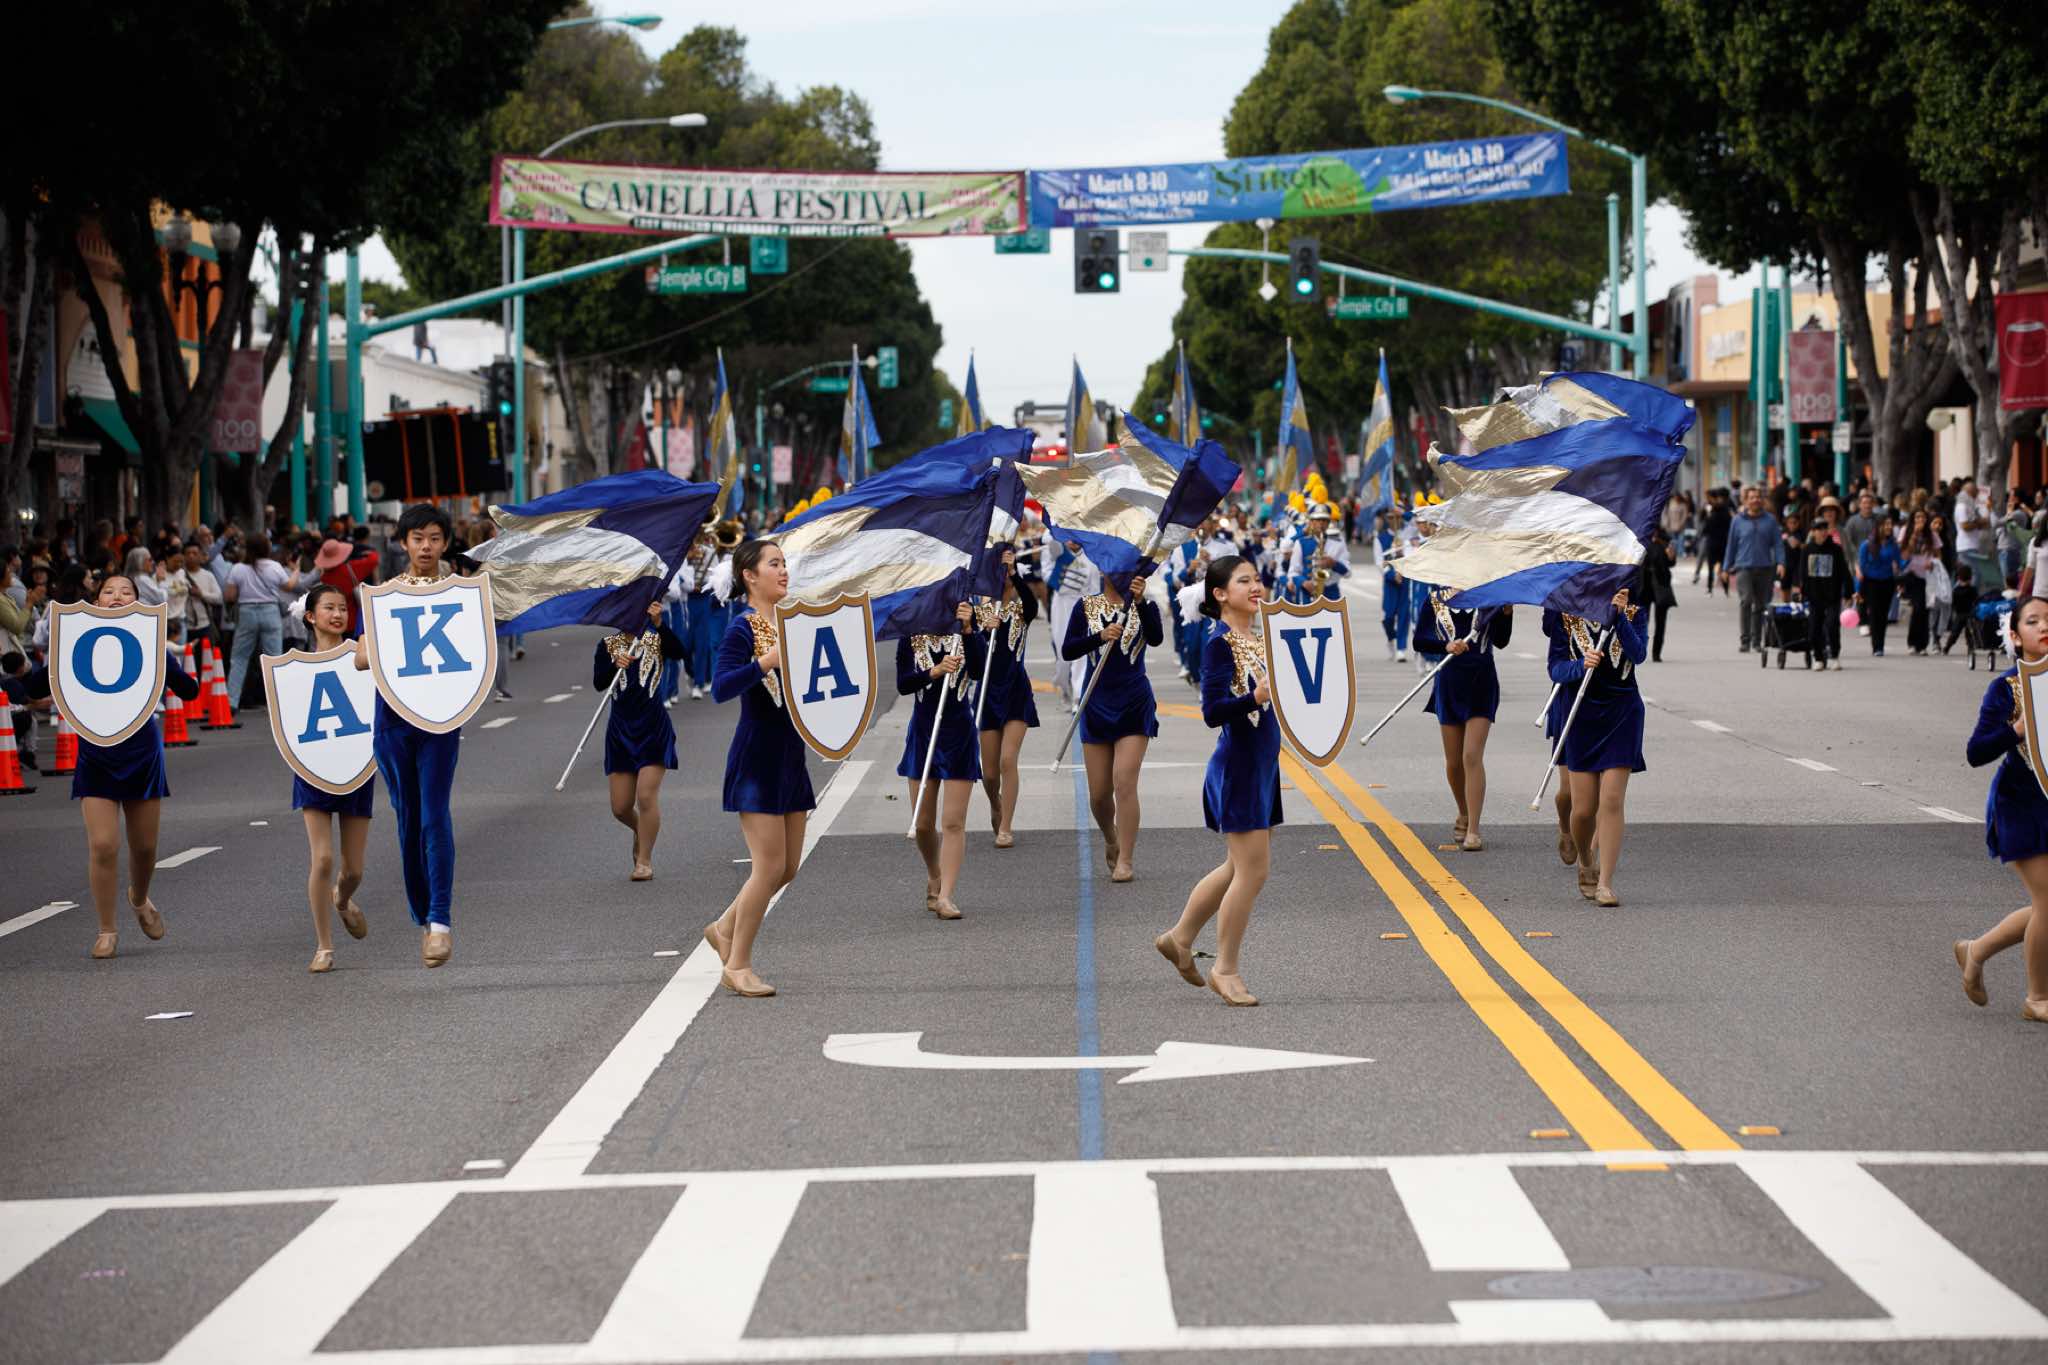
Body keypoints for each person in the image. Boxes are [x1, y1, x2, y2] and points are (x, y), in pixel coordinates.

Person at [1154, 555, 1278, 1007]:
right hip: (1238, 767)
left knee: (1235, 868)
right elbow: (1211, 711)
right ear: (1221, 594)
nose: (1255, 586)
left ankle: (1180, 937)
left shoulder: (1260, 639)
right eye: (1244, 581)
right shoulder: (1219, 643)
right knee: (1253, 871)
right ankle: (1225, 969)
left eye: (1257, 579)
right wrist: (1254, 696)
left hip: (1261, 766)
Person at [71, 574, 204, 959]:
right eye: (108, 591)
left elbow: (187, 689)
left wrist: (174, 668)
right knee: (102, 844)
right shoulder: (77, 641)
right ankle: (106, 929)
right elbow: (40, 683)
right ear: (96, 601)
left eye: (126, 591)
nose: (117, 596)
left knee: (144, 847)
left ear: (137, 601)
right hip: (95, 748)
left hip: (141, 750)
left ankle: (139, 897)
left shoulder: (150, 642)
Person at [705, 540, 815, 997]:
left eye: (785, 563)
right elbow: (720, 687)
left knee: (786, 868)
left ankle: (723, 928)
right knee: (767, 867)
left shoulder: (794, 621)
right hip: (758, 756)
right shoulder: (742, 628)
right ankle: (738, 964)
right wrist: (765, 661)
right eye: (774, 564)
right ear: (750, 576)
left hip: (791, 753)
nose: (784, 571)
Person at [353, 505, 461, 968]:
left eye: (434, 538)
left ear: (445, 543)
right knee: (409, 820)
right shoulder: (382, 596)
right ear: (403, 543)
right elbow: (360, 658)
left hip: (441, 721)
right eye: (418, 538)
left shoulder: (462, 593)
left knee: (435, 815)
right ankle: (423, 914)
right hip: (393, 721)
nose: (426, 547)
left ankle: (440, 921)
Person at [1956, 596, 2048, 1023]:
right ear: (2015, 635)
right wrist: (2017, 729)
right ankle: (2037, 997)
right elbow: (1976, 752)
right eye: (2033, 621)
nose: (2044, 626)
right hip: (2021, 807)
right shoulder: (2007, 688)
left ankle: (1976, 950)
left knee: (2045, 905)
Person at [1544, 592, 1648, 908]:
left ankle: (1605, 883)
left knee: (1612, 799)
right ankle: (1586, 858)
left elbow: (1638, 654)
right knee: (1583, 810)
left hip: (1623, 712)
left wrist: (1618, 617)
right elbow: (1555, 668)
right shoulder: (1566, 615)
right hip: (1580, 715)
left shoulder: (1634, 613)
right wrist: (1580, 665)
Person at [1063, 568, 1163, 883]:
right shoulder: (1085, 606)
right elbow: (1068, 649)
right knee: (1098, 794)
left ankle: (1126, 859)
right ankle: (1111, 835)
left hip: (1134, 701)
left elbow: (1156, 638)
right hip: (1096, 701)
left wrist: (1141, 602)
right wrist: (1099, 636)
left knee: (1124, 782)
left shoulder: (1146, 606)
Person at [293, 585, 373, 974]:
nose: (338, 614)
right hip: (313, 767)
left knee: (353, 870)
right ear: (310, 616)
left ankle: (341, 899)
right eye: (329, 608)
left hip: (357, 766)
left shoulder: (361, 654)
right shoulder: (293, 667)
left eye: (343, 608)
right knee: (322, 858)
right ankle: (324, 944)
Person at [900, 601, 984, 919]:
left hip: (959, 734)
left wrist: (969, 630)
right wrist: (934, 672)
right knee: (923, 823)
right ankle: (934, 872)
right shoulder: (911, 634)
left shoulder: (966, 629)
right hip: (923, 734)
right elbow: (903, 684)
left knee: (953, 822)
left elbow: (979, 670)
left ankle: (946, 895)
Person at [1414, 589, 1513, 851]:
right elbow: (1419, 640)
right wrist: (1445, 646)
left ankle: (1474, 829)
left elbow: (1501, 641)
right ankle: (1463, 810)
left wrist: (1506, 614)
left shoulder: (1490, 597)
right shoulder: (1435, 600)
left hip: (1482, 682)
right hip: (1449, 683)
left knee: (1471, 756)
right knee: (1454, 761)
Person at [595, 596, 684, 881]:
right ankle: (640, 829)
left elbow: (679, 651)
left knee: (646, 796)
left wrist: (660, 624)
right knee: (620, 807)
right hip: (621, 730)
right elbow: (599, 683)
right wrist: (614, 664)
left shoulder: (656, 638)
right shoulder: (607, 644)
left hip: (652, 727)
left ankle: (644, 861)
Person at [976, 551, 1039, 849]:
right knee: (989, 774)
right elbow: (971, 658)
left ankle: (1006, 826)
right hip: (988, 693)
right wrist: (980, 631)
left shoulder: (1021, 609)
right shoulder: (978, 613)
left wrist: (1014, 573)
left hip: (1015, 690)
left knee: (1007, 760)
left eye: (1008, 575)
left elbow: (1033, 604)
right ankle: (995, 803)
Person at [224, 533, 300, 707]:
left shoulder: (238, 568)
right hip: (270, 611)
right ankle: (279, 702)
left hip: (247, 612)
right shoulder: (274, 566)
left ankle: (231, 701)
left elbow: (230, 596)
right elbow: (289, 586)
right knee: (274, 658)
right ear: (266, 548)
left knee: (240, 657)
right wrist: (296, 570)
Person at [1043, 538, 1100, 711]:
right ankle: (1064, 688)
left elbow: (1095, 589)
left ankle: (1078, 696)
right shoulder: (1057, 550)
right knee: (1062, 653)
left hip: (1082, 605)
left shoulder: (1091, 557)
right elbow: (1046, 572)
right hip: (1061, 604)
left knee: (1081, 652)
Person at [1723, 485, 1782, 652]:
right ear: (1745, 501)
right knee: (1746, 600)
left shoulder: (1770, 520)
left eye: (1758, 497)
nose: (1755, 500)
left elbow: (1778, 543)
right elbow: (1731, 545)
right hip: (1743, 567)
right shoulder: (1737, 521)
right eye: (1752, 497)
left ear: (1762, 500)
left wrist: (1781, 562)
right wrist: (1726, 568)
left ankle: (1756, 642)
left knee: (1760, 605)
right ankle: (1745, 641)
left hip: (1765, 567)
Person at [1792, 521, 1854, 670]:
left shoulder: (1836, 549)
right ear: (1813, 532)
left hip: (1832, 595)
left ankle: (1834, 656)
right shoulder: (1807, 550)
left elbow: (1844, 571)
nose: (1823, 532)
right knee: (1814, 628)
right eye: (1819, 529)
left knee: (1832, 625)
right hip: (1814, 596)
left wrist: (1848, 593)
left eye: (1825, 529)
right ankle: (1818, 658)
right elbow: (1802, 573)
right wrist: (1801, 592)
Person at [1856, 513, 1905, 657]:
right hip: (1871, 583)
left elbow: (1900, 563)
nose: (1889, 527)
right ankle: (1876, 646)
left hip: (1888, 582)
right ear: (1878, 526)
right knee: (1875, 614)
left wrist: (1908, 560)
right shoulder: (1866, 545)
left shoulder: (1893, 545)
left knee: (1883, 615)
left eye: (1891, 524)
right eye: (1886, 524)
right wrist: (1858, 589)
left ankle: (1880, 645)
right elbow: (1863, 567)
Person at [1638, 525, 1678, 662]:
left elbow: (1671, 562)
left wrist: (1671, 556)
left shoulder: (1664, 539)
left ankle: (1656, 653)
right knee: (1642, 622)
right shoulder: (1640, 536)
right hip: (1643, 586)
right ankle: (1640, 651)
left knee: (1660, 622)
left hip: (1660, 585)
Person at [1697, 488, 1732, 592]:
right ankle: (1724, 587)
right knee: (1721, 564)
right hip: (1721, 540)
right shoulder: (1725, 509)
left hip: (1714, 541)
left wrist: (1707, 515)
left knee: (1712, 564)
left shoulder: (1714, 510)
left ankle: (1711, 587)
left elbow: (1706, 526)